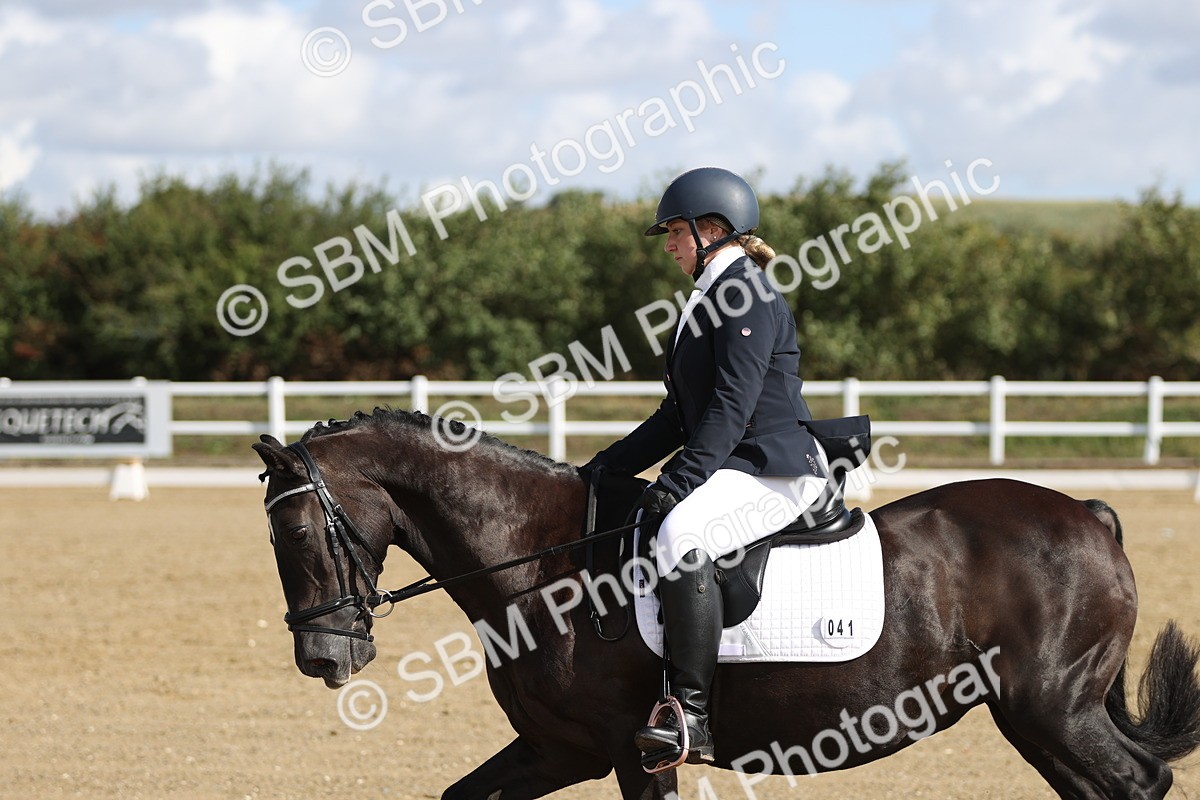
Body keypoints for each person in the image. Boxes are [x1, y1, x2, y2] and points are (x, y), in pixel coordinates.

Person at [584, 166, 832, 766]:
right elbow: (678, 415)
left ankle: (689, 715)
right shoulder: (708, 296)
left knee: (682, 532)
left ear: (713, 229)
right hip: (738, 463)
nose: (668, 245)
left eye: (675, 232)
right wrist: (603, 467)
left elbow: (732, 404)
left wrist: (680, 481)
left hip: (774, 468)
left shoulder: (746, 292)